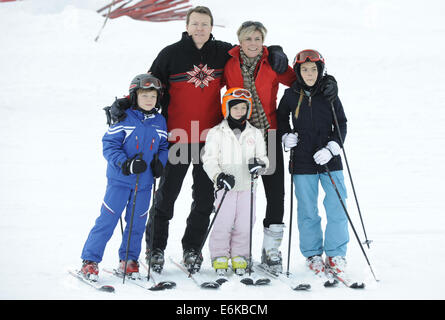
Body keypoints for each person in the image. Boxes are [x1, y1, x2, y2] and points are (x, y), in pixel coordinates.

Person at [108, 6, 290, 274]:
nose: (200, 28)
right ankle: (155, 248)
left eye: (205, 24)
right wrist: (126, 102)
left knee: (204, 199)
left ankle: (192, 249)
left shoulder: (221, 51)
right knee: (166, 197)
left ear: (211, 27)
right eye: (195, 24)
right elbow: (148, 85)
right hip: (178, 136)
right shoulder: (170, 54)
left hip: (210, 139)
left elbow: (249, 47)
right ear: (187, 25)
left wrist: (274, 49)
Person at [223, 21, 339, 273]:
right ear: (239, 41)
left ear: (263, 40)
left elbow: (303, 81)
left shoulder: (273, 63)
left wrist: (330, 82)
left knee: (276, 193)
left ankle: (271, 251)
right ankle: (236, 251)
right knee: (240, 193)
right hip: (239, 137)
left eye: (257, 38)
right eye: (248, 39)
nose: (253, 43)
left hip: (270, 134)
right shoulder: (229, 63)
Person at [79, 74, 168, 281]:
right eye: (144, 95)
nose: (149, 100)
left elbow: (163, 146)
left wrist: (159, 163)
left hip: (145, 183)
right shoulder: (124, 117)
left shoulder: (160, 121)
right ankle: (90, 261)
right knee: (107, 220)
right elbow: (109, 145)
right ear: (134, 96)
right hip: (120, 181)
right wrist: (125, 163)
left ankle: (129, 260)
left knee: (137, 223)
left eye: (153, 96)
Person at [276, 49, 349, 278]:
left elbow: (342, 123)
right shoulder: (290, 94)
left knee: (337, 205)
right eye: (305, 69)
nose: (309, 73)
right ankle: (313, 254)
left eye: (313, 69)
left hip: (329, 157)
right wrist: (286, 136)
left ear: (320, 70)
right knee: (307, 209)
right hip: (303, 158)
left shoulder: (329, 93)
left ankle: (336, 253)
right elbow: (280, 119)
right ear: (298, 71)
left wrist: (333, 148)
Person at [202, 88, 269, 276]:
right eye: (235, 108)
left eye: (243, 108)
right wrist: (219, 176)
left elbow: (263, 157)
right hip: (226, 188)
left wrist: (260, 165)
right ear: (226, 108)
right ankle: (220, 256)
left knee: (245, 223)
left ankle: (241, 255)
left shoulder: (255, 133)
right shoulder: (216, 132)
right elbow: (209, 159)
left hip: (248, 187)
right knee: (223, 222)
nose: (240, 112)